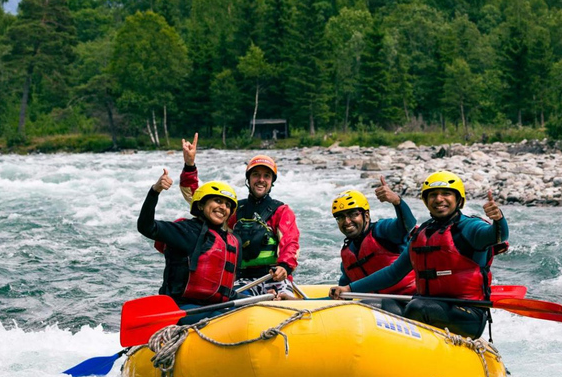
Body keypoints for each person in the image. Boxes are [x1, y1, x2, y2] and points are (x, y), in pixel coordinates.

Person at [329, 171, 509, 339]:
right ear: (426, 200)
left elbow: (497, 235)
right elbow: (393, 273)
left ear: (459, 200)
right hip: (430, 307)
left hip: (468, 314)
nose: (439, 199)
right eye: (432, 195)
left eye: (446, 194)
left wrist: (498, 219)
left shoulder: (470, 228)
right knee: (379, 306)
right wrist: (349, 289)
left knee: (418, 307)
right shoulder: (422, 234)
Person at [179, 133, 300, 299]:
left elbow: (290, 242)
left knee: (285, 300)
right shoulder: (234, 209)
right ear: (248, 179)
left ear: (272, 182)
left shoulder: (282, 211)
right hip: (242, 279)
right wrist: (189, 166)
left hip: (274, 277)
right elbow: (198, 196)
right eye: (256, 175)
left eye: (266, 176)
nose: (261, 180)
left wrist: (285, 267)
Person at [137, 168, 241, 308]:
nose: (223, 207)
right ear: (201, 204)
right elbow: (146, 227)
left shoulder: (232, 241)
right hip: (181, 308)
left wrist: (264, 299)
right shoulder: (186, 230)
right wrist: (155, 191)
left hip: (216, 307)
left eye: (228, 205)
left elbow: (229, 293)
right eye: (217, 201)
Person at [332, 177, 416, 296]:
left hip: (408, 300)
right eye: (340, 217)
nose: (346, 221)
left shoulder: (382, 230)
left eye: (353, 214)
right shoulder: (347, 253)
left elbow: (409, 226)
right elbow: (340, 294)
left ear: (366, 216)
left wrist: (397, 201)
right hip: (375, 306)